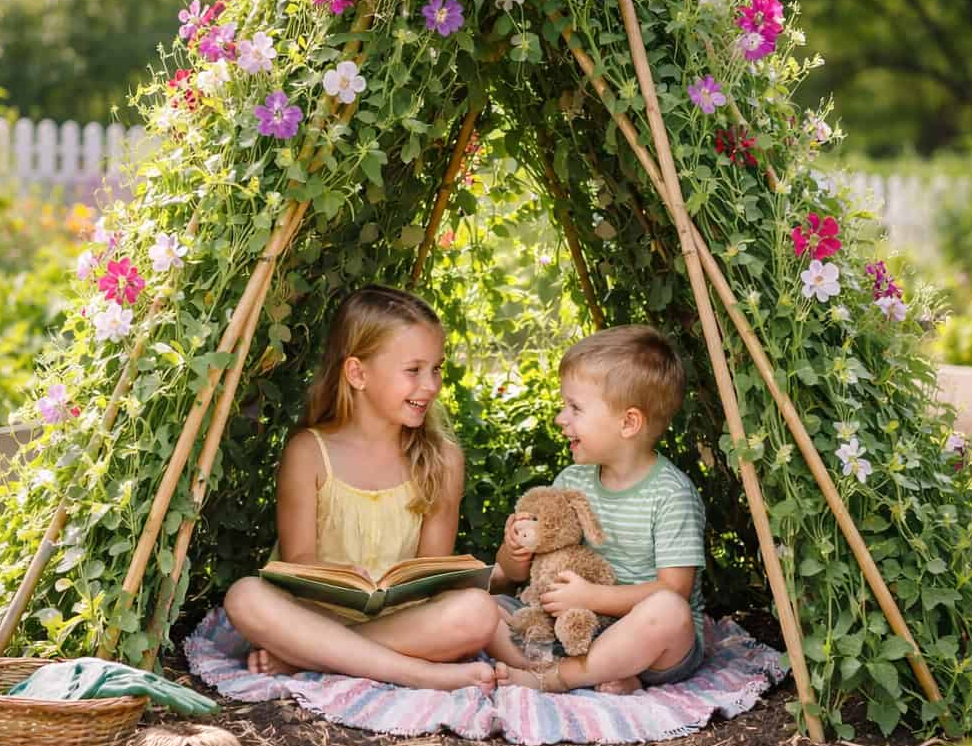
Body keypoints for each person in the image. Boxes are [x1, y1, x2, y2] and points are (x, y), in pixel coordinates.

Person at [223, 285, 499, 691]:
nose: (431, 385)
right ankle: (420, 674)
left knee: (477, 611)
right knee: (244, 596)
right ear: (357, 373)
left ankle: (310, 660)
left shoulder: (442, 459)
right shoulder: (309, 452)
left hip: (404, 624)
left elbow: (430, 573)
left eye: (436, 369)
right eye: (414, 370)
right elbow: (298, 561)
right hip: (315, 619)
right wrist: (335, 574)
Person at [488, 325, 706, 693]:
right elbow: (512, 574)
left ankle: (559, 676)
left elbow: (675, 589)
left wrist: (593, 598)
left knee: (668, 613)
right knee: (484, 609)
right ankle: (597, 670)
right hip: (574, 626)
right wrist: (514, 551)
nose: (561, 418)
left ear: (628, 423)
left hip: (647, 641)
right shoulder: (572, 480)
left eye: (575, 408)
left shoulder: (671, 494)